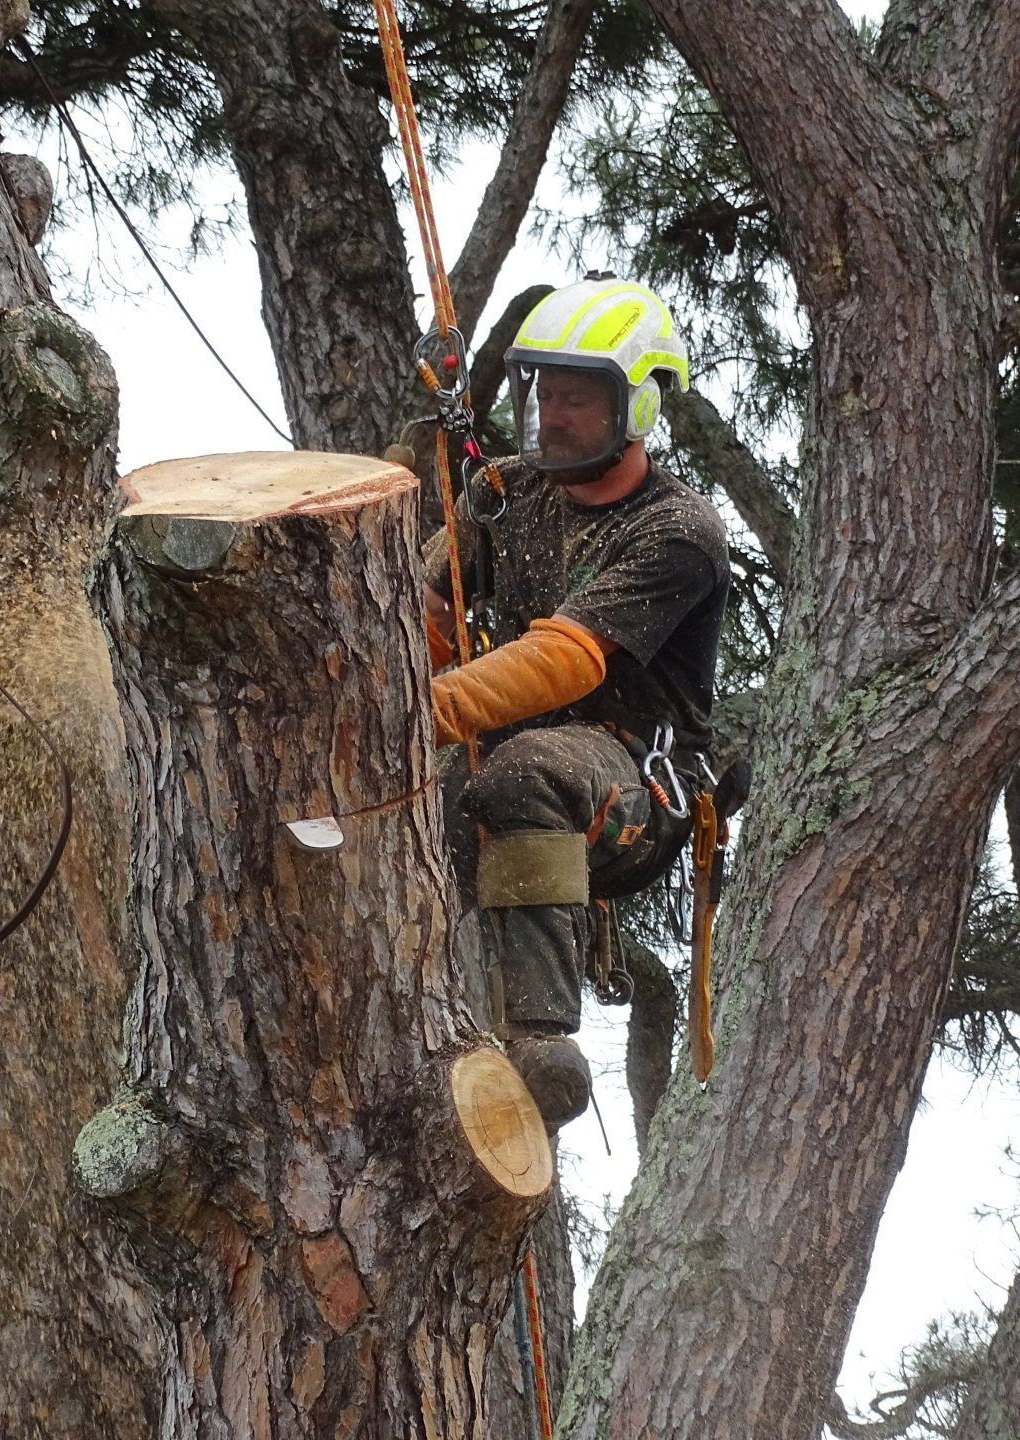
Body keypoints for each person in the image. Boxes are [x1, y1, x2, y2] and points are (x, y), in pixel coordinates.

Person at [421, 275, 729, 1127]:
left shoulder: (677, 531)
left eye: (578, 400)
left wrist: (428, 709)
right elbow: (427, 610)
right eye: (544, 394)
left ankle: (541, 1040)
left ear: (637, 408)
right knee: (442, 794)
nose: (553, 417)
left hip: (635, 778)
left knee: (528, 770)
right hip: (514, 762)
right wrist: (401, 671)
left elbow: (569, 658)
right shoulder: (506, 493)